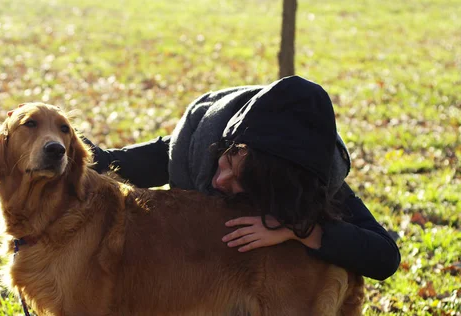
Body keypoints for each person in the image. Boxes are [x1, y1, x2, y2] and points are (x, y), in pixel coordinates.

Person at [82, 76, 400, 281]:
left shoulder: (313, 181)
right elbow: (108, 164)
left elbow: (384, 257)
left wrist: (298, 229)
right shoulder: (198, 142)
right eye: (226, 161)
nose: (220, 180)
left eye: (238, 184)